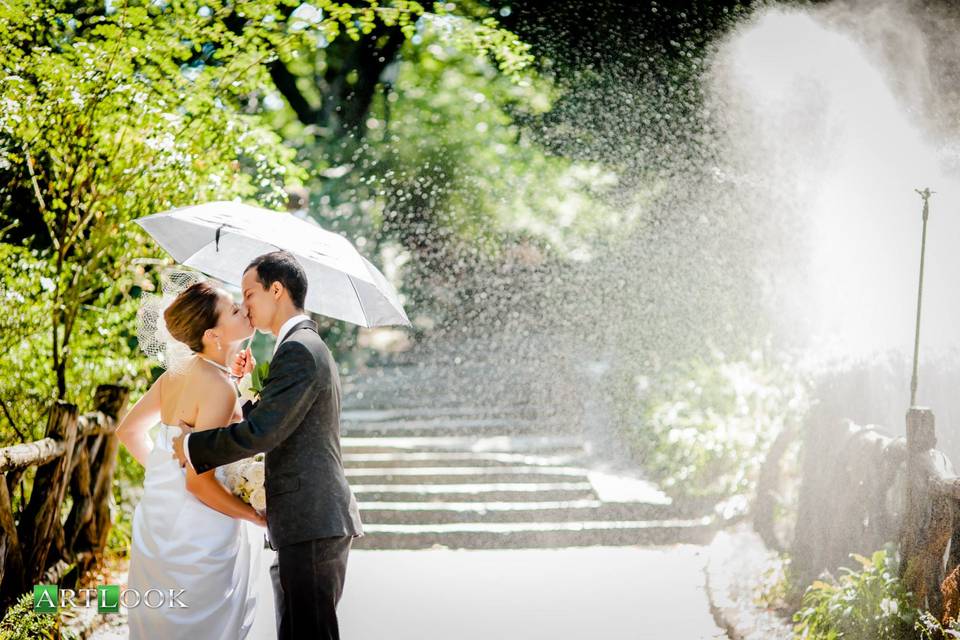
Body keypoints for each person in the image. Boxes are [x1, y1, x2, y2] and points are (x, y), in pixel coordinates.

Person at [171, 250, 363, 640]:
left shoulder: (298, 349)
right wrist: (247, 395)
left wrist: (191, 446)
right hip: (305, 520)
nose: (244, 306)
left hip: (311, 519)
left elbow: (262, 434)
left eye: (249, 294)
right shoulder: (298, 346)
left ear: (277, 290)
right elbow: (276, 422)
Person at [117, 280, 270, 639]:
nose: (244, 310)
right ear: (214, 334)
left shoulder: (180, 373)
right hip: (202, 530)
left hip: (159, 518)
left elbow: (128, 432)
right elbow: (199, 484)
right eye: (234, 309)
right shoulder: (217, 386)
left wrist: (166, 468)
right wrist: (256, 517)